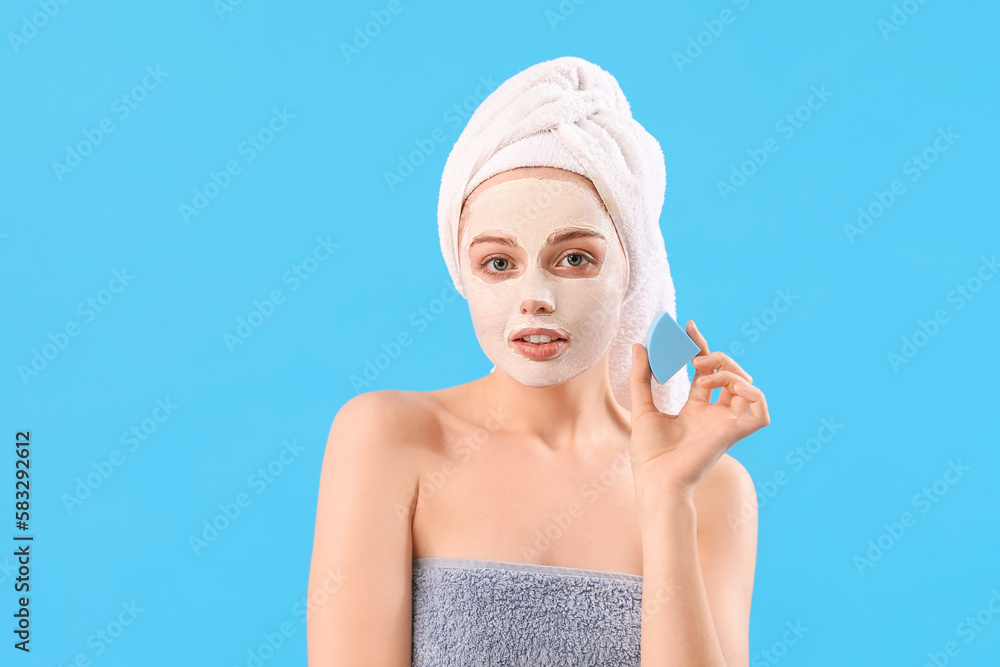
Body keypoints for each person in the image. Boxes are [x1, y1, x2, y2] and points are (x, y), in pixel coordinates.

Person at [307, 57, 769, 667]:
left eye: (574, 258)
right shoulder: (389, 437)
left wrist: (664, 495)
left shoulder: (711, 487)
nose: (536, 297)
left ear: (634, 269)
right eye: (498, 262)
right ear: (463, 275)